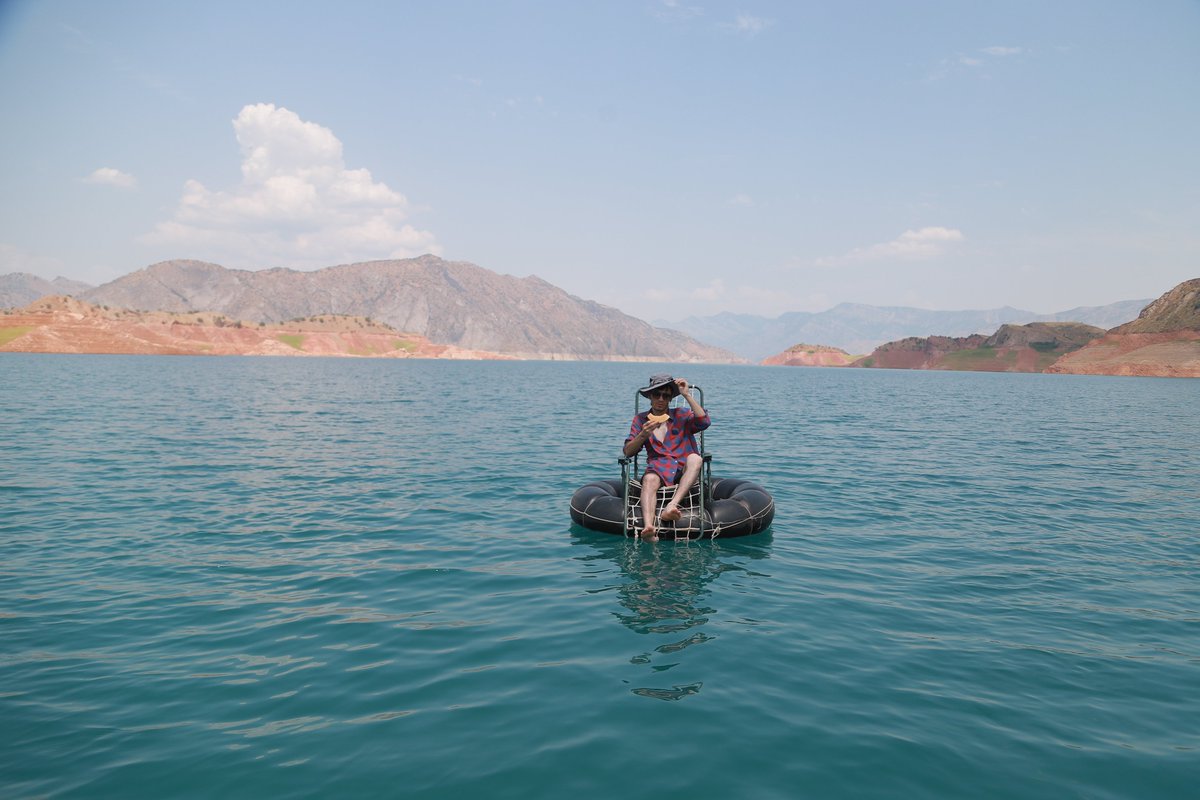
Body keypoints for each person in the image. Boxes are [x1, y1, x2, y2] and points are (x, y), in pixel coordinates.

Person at [622, 374, 710, 541]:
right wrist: (643, 435)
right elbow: (628, 451)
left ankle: (671, 506)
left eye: (666, 395)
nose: (661, 399)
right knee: (649, 479)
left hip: (683, 467)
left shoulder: (681, 415)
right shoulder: (641, 420)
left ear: (670, 398)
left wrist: (686, 394)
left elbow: (704, 422)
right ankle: (649, 528)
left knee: (696, 459)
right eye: (657, 395)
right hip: (658, 468)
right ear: (650, 397)